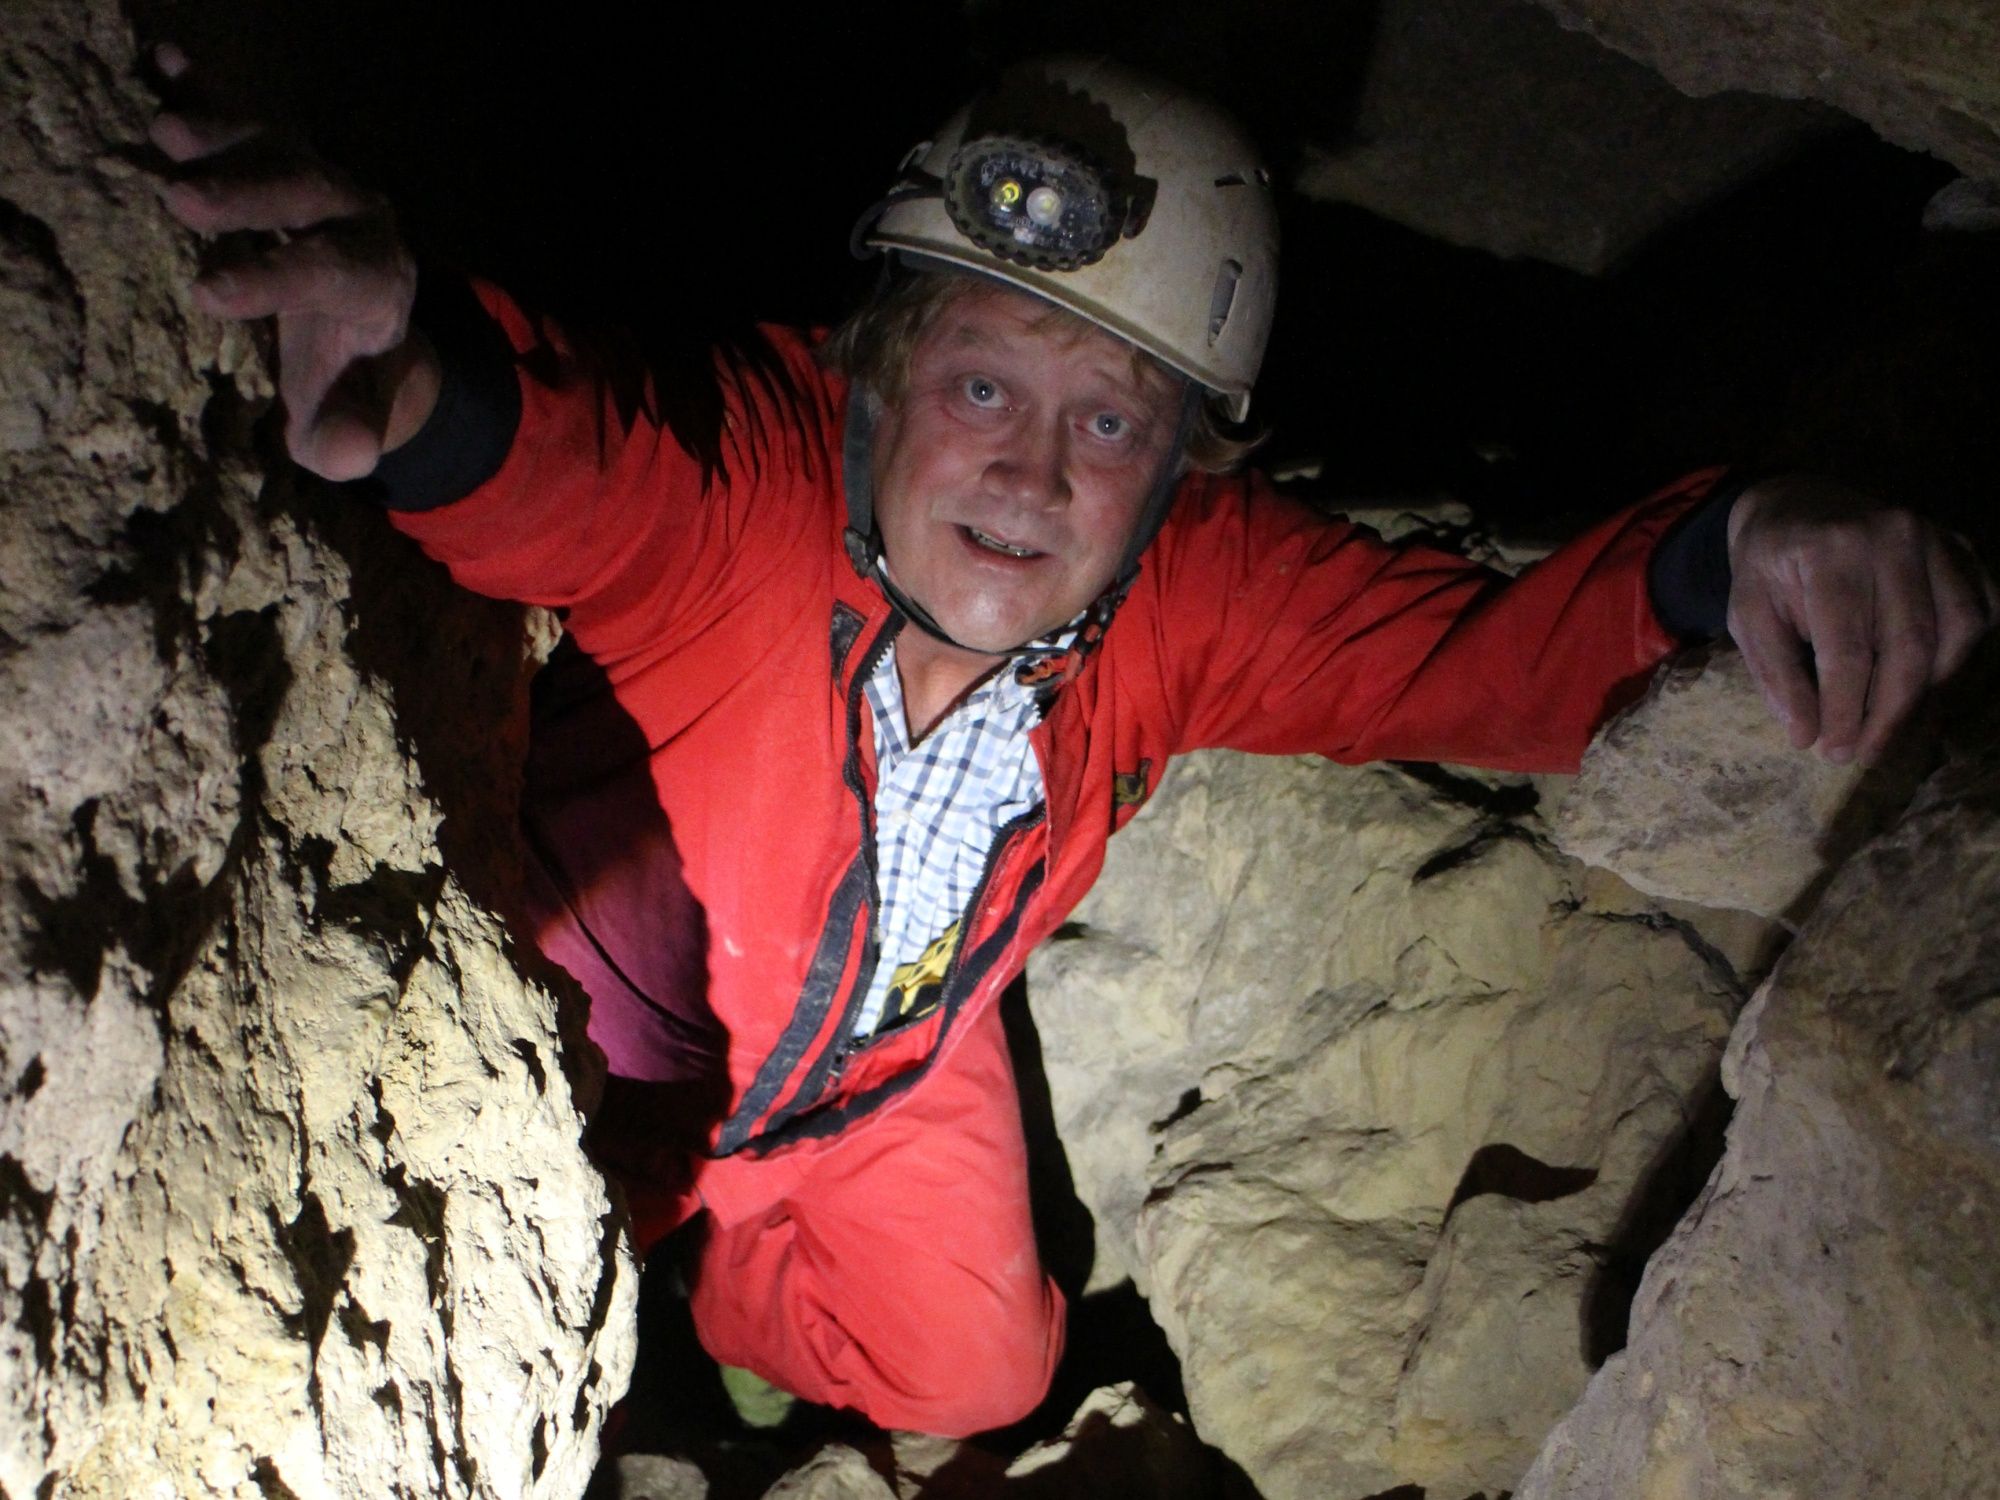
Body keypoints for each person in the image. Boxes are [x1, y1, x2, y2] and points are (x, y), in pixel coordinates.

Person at [153, 51, 1994, 1437]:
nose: (1031, 475)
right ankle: (661, 1277)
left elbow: (1471, 657)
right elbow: (586, 460)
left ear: (1182, 461)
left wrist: (1744, 540)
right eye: (980, 383)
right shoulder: (761, 494)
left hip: (893, 1049)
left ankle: (731, 1289)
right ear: (882, 369)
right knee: (526, 1283)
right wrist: (417, 375)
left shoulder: (1184, 596)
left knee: (986, 1373)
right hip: (625, 1056)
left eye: (1110, 422)